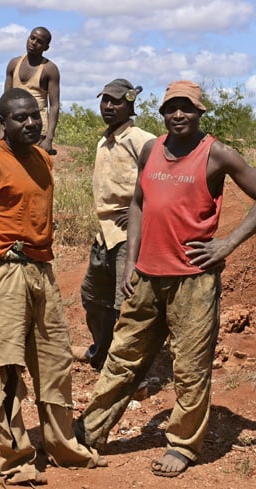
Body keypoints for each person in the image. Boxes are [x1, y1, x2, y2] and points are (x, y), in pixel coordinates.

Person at [75, 80, 256, 477]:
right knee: (121, 357)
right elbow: (138, 203)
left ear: (200, 113)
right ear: (162, 113)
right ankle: (90, 430)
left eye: (187, 108)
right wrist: (131, 260)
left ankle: (183, 445)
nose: (179, 114)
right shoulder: (152, 149)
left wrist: (228, 243)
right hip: (147, 277)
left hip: (193, 280)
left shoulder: (216, 154)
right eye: (172, 108)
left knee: (189, 366)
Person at [0, 88, 106, 486]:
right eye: (20, 118)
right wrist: (2, 250)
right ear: (2, 123)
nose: (31, 123)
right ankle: (13, 460)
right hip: (4, 273)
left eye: (35, 116)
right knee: (5, 367)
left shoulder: (40, 158)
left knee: (54, 361)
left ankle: (61, 445)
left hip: (42, 270)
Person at [74, 78, 155, 370]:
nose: (108, 106)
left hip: (128, 234)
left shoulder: (142, 139)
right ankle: (102, 352)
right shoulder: (102, 141)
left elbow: (159, 181)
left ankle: (134, 374)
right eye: (105, 100)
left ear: (130, 104)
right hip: (103, 233)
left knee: (127, 305)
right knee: (94, 298)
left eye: (116, 101)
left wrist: (140, 210)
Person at [4, 26, 60, 154]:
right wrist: (3, 128)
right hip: (15, 125)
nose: (33, 43)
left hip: (36, 128)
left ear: (46, 47)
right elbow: (5, 99)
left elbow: (54, 105)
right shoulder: (14, 64)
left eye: (39, 41)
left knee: (34, 168)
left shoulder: (49, 69)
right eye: (32, 38)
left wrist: (49, 137)